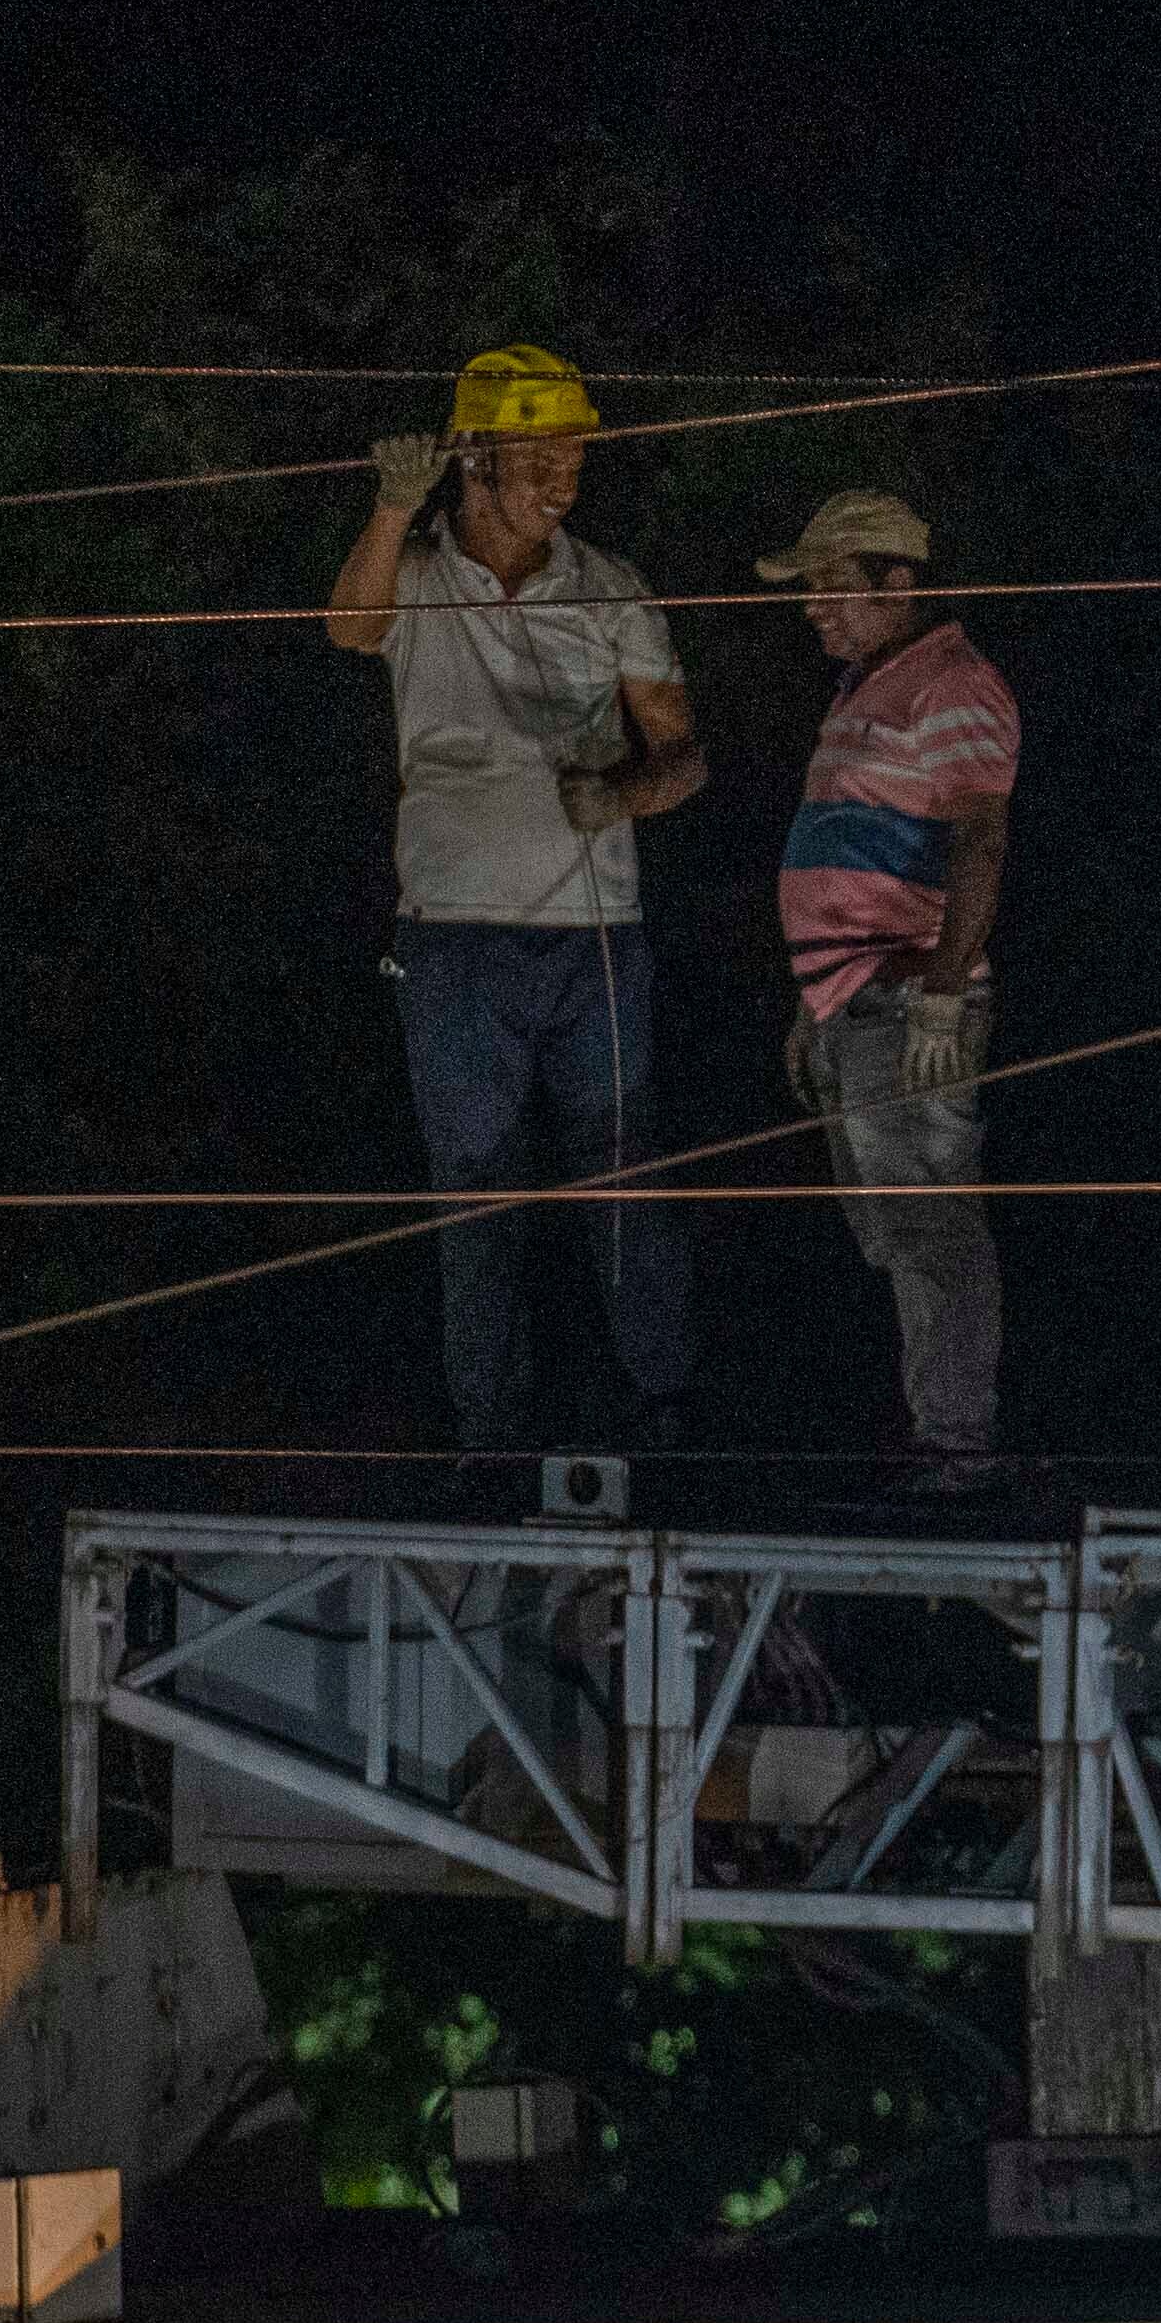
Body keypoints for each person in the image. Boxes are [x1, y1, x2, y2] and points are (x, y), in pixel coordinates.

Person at [320, 344, 705, 1483]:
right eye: (539, 453)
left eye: (575, 451)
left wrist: (627, 791)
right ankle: (489, 1441)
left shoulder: (612, 586)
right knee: (474, 1192)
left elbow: (683, 756)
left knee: (627, 1178)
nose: (566, 476)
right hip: (452, 939)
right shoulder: (421, 572)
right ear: (476, 459)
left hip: (595, 934)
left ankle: (666, 1420)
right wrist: (393, 500)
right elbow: (349, 628)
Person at [762, 488, 1016, 1499]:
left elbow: (980, 835)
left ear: (895, 584)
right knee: (891, 1233)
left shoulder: (949, 681)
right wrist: (810, 999)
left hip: (905, 997)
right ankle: (934, 1429)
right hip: (848, 998)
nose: (814, 608)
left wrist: (944, 991)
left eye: (831, 588)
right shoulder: (871, 684)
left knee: (929, 1225)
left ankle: (955, 1446)